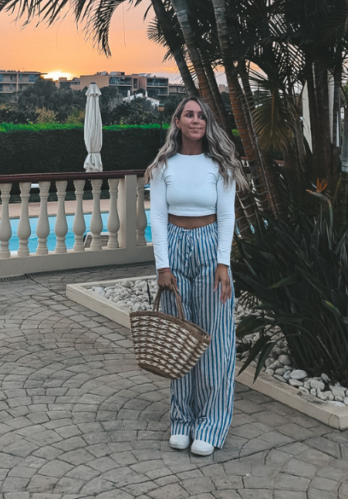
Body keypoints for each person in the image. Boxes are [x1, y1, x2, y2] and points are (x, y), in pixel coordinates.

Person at [147, 95, 247, 456]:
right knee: (179, 337)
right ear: (177, 121)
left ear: (208, 124)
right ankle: (182, 420)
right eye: (188, 114)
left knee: (215, 337)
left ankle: (210, 422)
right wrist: (162, 265)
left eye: (201, 115)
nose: (195, 120)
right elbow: (157, 217)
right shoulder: (163, 166)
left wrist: (224, 263)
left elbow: (227, 217)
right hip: (174, 245)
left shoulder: (219, 166)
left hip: (209, 247)